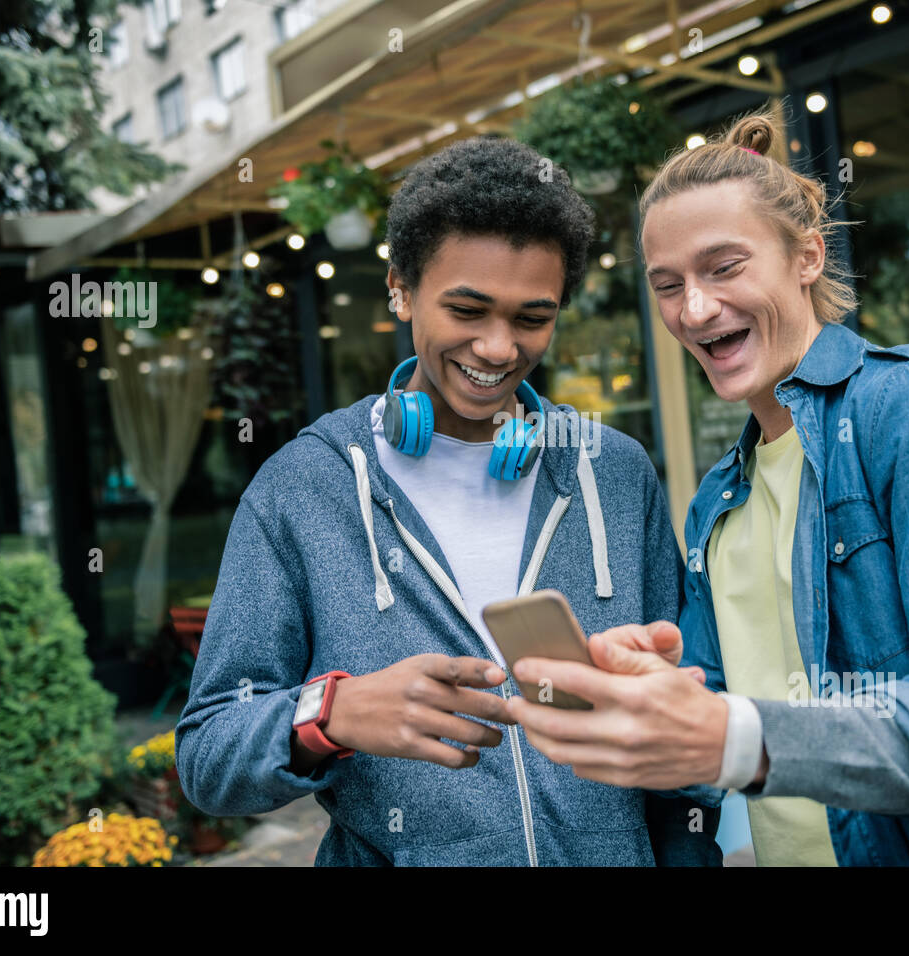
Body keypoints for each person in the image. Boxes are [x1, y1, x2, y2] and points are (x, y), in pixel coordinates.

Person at [506, 110, 909, 866]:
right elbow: (722, 704)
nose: (695, 309)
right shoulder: (718, 496)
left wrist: (739, 738)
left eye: (725, 267)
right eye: (668, 284)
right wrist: (657, 684)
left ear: (807, 256)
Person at [175, 133, 720, 866]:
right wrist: (329, 715)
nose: (498, 348)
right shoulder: (302, 487)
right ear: (399, 287)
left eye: (532, 318)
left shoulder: (613, 471)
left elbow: (686, 744)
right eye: (467, 310)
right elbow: (209, 754)